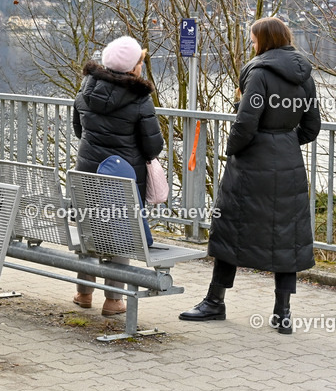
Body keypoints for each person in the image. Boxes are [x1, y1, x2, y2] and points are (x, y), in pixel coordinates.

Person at [180, 18, 320, 334]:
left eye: (254, 38)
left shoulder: (258, 72)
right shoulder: (306, 77)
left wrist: (233, 150)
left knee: (231, 228)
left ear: (265, 40)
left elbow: (246, 123)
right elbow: (312, 127)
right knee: (288, 237)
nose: (251, 43)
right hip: (289, 167)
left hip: (250, 166)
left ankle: (214, 302)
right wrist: (282, 141)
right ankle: (282, 314)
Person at [72, 36, 164, 316]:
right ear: (133, 67)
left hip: (87, 172)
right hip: (124, 177)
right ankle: (113, 300)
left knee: (90, 228)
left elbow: (79, 131)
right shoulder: (139, 99)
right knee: (121, 234)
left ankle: (83, 293)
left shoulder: (85, 90)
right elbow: (153, 145)